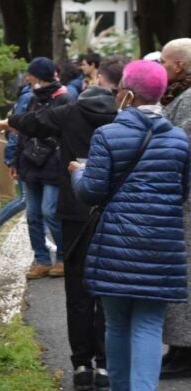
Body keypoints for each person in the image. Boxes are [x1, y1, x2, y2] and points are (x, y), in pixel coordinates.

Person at [0, 59, 123, 390]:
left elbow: (34, 123)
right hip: (112, 211)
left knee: (76, 288)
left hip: (75, 209)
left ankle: (81, 365)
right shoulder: (123, 119)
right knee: (107, 289)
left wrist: (7, 123)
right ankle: (106, 365)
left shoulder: (69, 112)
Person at [70, 60, 190, 391]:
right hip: (163, 244)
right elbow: (181, 192)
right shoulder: (179, 139)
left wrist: (76, 173)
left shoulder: (108, 135)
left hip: (117, 243)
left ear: (128, 94)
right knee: (150, 324)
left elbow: (91, 191)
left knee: (117, 323)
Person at [10, 57, 72, 279]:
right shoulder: (33, 99)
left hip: (54, 164)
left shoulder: (64, 99)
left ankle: (65, 257)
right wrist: (15, 161)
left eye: (31, 75)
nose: (28, 79)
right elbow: (24, 131)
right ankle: (42, 259)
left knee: (50, 210)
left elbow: (66, 134)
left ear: (39, 77)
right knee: (33, 214)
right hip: (30, 162)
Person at [160, 38, 191, 380]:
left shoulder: (189, 99)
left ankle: (185, 350)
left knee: (186, 277)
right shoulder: (179, 95)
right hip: (181, 200)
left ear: (179, 66)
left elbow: (180, 146)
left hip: (187, 201)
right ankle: (179, 349)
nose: (162, 68)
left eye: (166, 62)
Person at [0, 82, 32, 248]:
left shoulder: (30, 96)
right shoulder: (29, 97)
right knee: (25, 198)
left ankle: (43, 237)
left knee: (33, 199)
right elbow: (17, 129)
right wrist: (13, 159)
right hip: (24, 154)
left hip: (28, 154)